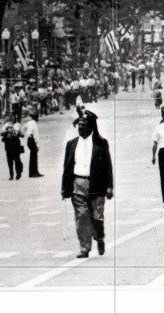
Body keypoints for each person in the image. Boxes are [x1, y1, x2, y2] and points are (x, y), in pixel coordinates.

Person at [61, 110, 113, 258]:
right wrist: (65, 188)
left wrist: (109, 186)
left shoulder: (101, 143)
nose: (81, 127)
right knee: (81, 216)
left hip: (96, 185)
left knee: (97, 217)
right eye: (79, 125)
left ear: (91, 127)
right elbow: (67, 167)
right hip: (77, 183)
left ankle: (99, 237)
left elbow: (107, 166)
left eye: (84, 125)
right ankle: (84, 247)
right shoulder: (71, 144)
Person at [23, 110, 44, 177]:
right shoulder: (34, 124)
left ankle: (31, 172)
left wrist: (26, 133)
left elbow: (24, 128)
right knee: (34, 157)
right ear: (36, 117)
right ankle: (35, 172)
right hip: (33, 141)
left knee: (32, 156)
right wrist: (37, 145)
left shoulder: (29, 122)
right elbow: (36, 136)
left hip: (29, 140)